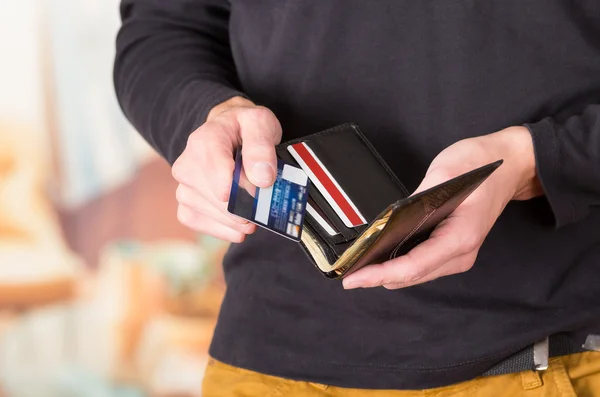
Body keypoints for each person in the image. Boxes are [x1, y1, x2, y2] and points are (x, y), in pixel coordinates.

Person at [114, 1, 600, 396]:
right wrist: (206, 113)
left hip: (542, 351)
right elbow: (166, 26)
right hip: (267, 364)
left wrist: (533, 160)